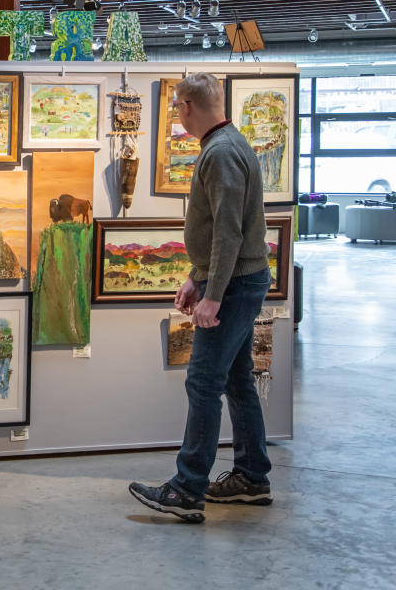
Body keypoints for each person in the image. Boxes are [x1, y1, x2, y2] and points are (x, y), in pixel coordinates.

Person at [129, 73, 274, 524]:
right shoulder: (226, 145)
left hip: (234, 285)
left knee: (203, 382)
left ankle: (188, 488)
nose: (176, 114)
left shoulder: (222, 152)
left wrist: (212, 294)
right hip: (236, 281)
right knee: (236, 381)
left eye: (176, 107)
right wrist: (198, 276)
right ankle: (251, 477)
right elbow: (218, 229)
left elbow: (229, 233)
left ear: (188, 107)